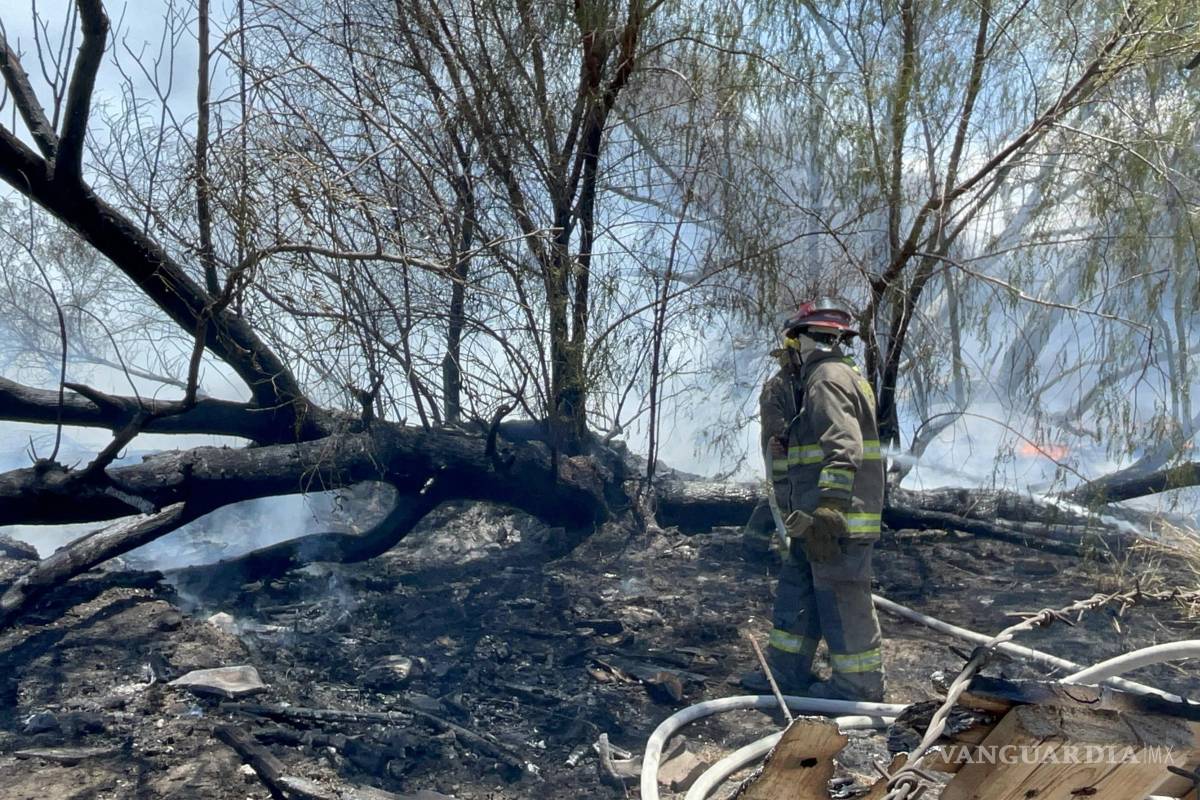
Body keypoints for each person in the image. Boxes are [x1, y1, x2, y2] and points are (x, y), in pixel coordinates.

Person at [742, 298, 886, 702]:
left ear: (806, 339)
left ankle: (858, 686)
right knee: (799, 589)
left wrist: (829, 511)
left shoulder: (826, 378)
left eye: (794, 342)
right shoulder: (826, 377)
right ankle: (786, 673)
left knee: (842, 596)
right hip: (811, 517)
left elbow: (844, 449)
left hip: (836, 520)